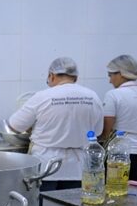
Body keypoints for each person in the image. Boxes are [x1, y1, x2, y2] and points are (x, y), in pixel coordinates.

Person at [8, 57, 103, 191]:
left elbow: (15, 125)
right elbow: (97, 132)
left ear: (51, 76)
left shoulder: (42, 96)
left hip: (47, 167)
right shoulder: (93, 97)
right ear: (75, 77)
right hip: (78, 168)